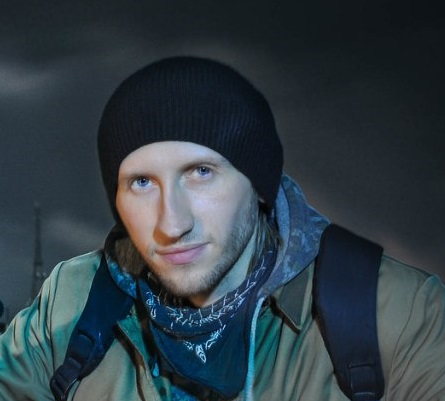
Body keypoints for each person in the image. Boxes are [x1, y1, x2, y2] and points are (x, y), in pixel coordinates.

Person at [0, 56, 444, 401]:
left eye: (201, 173)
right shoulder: (70, 303)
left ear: (259, 187)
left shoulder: (397, 313)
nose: (172, 224)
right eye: (141, 183)